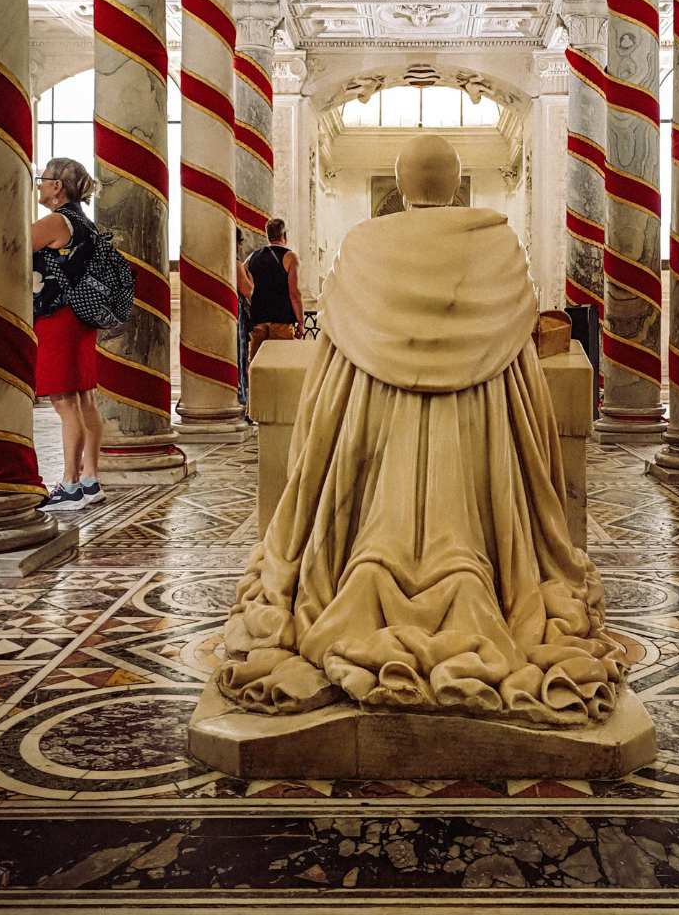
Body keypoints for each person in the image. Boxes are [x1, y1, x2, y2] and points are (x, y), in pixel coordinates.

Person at [213, 134, 625, 727]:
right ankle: (475, 587)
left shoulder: (364, 244)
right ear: (455, 185)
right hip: (475, 424)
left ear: (402, 186)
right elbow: (519, 355)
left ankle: (366, 578)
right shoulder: (496, 242)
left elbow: (335, 357)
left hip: (378, 422)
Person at [31, 158, 106, 511]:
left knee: (64, 403)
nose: (40, 186)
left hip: (57, 317)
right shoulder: (85, 223)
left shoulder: (55, 222)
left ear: (58, 186)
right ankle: (90, 479)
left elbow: (10, 247)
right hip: (81, 318)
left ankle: (70, 484)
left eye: (43, 180)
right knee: (84, 398)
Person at [241, 218, 304, 362]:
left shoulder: (253, 257)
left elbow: (242, 278)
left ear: (267, 236)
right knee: (282, 366)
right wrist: (300, 322)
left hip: (258, 321)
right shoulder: (290, 257)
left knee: (257, 368)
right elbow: (295, 293)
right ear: (285, 236)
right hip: (281, 321)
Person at [235, 229, 254, 418]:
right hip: (235, 315)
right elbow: (248, 290)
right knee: (240, 357)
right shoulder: (236, 263)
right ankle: (242, 400)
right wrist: (250, 278)